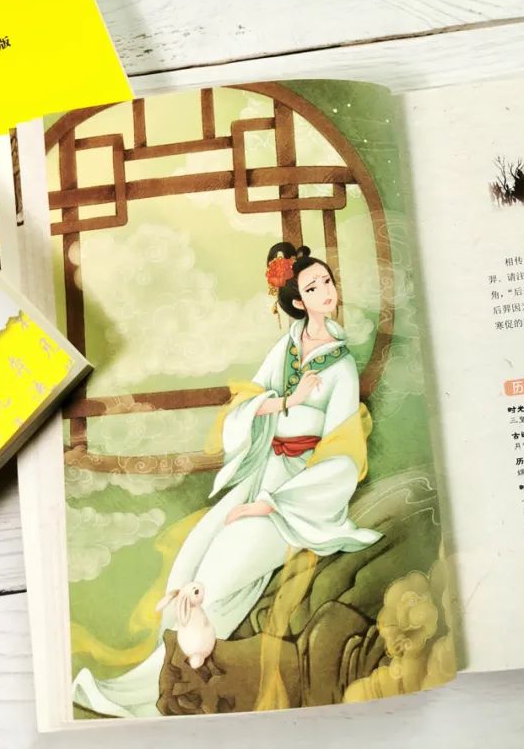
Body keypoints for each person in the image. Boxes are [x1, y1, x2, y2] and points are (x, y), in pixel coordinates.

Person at [73, 242, 381, 718]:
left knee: (219, 575)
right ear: (297, 301)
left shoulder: (340, 366)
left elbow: (343, 449)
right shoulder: (287, 348)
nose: (326, 291)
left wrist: (273, 503)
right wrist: (288, 402)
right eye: (312, 286)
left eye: (327, 282)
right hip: (263, 470)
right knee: (191, 560)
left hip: (299, 490)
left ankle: (152, 689)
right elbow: (248, 404)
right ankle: (154, 679)